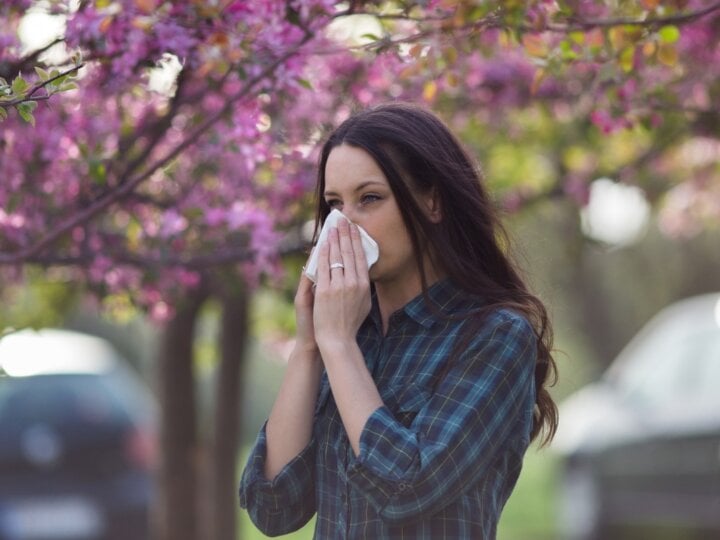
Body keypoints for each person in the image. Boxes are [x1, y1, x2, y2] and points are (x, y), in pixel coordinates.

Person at [239, 102, 558, 539]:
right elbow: (272, 508)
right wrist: (310, 347)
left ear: (432, 201)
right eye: (334, 205)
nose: (344, 227)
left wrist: (339, 348)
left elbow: (408, 489)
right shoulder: (349, 336)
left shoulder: (493, 336)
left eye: (369, 198)